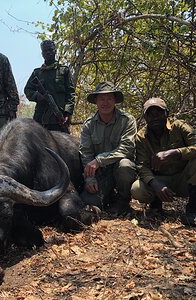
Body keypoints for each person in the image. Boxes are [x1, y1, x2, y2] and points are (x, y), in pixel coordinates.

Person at [131, 98, 196, 226]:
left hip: (185, 179)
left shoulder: (180, 126)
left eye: (158, 113)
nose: (154, 118)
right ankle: (156, 206)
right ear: (145, 117)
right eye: (150, 114)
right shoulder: (141, 136)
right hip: (160, 180)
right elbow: (142, 166)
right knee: (137, 189)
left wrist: (175, 153)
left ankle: (192, 211)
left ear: (166, 113)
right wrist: (155, 184)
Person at [79, 81, 137, 215]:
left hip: (119, 169)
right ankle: (109, 196)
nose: (105, 102)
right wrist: (89, 178)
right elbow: (86, 153)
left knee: (125, 166)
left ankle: (123, 201)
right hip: (100, 173)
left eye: (109, 98)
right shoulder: (88, 125)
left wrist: (99, 161)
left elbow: (127, 148)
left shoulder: (127, 120)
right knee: (87, 202)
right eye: (102, 99)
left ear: (115, 100)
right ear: (96, 101)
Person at [24, 40, 75, 133]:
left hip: (59, 117)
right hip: (41, 117)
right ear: (42, 53)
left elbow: (70, 93)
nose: (48, 52)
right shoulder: (37, 73)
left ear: (55, 51)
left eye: (50, 50)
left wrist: (67, 113)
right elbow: (28, 89)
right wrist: (37, 96)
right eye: (45, 51)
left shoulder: (64, 71)